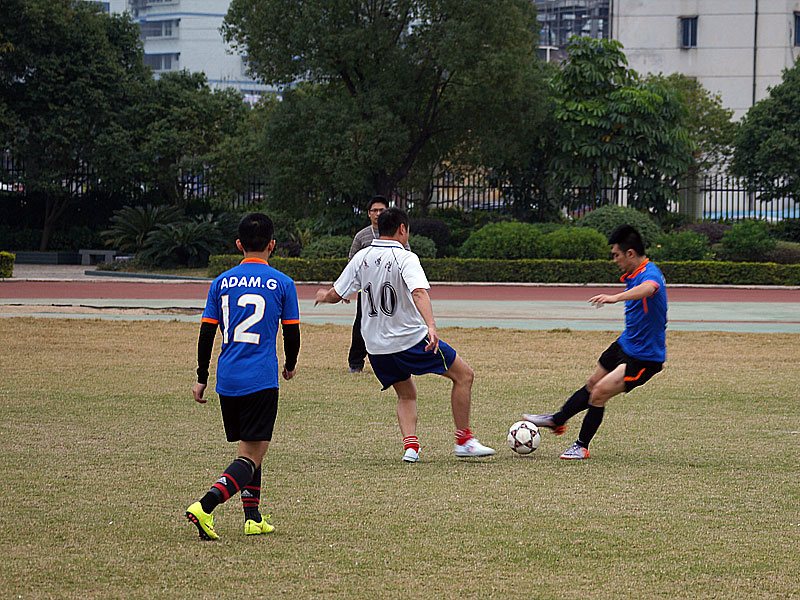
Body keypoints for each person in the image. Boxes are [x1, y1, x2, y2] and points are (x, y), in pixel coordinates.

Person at [315, 206, 494, 462]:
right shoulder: (405, 257)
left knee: (406, 393)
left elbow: (337, 293)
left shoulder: (362, 257)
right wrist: (431, 325)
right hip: (409, 340)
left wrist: (323, 296)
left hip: (376, 348)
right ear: (402, 229)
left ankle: (411, 448)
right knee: (464, 375)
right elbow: (419, 292)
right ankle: (464, 441)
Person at [185, 213, 301, 540]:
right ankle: (205, 506)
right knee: (252, 453)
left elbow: (206, 334)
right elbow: (292, 332)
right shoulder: (283, 283)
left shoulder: (221, 282)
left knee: (250, 445)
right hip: (260, 378)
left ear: (238, 244)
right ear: (272, 245)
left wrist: (202, 376)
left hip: (228, 378)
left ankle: (253, 517)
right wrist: (291, 363)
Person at [524, 224, 667, 460]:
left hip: (645, 358)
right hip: (625, 344)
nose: (615, 260)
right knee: (592, 383)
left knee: (599, 394)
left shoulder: (649, 273)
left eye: (616, 255)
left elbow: (649, 288)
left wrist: (615, 298)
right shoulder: (635, 273)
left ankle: (581, 446)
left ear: (630, 253)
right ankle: (557, 420)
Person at [346, 195, 408, 373]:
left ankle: (395, 360)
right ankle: (356, 363)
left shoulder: (397, 235)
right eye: (374, 210)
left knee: (393, 323)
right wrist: (347, 289)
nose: (378, 214)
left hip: (391, 290)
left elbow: (406, 259)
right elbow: (352, 264)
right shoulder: (361, 236)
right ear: (368, 213)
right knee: (361, 324)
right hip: (368, 291)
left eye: (382, 210)